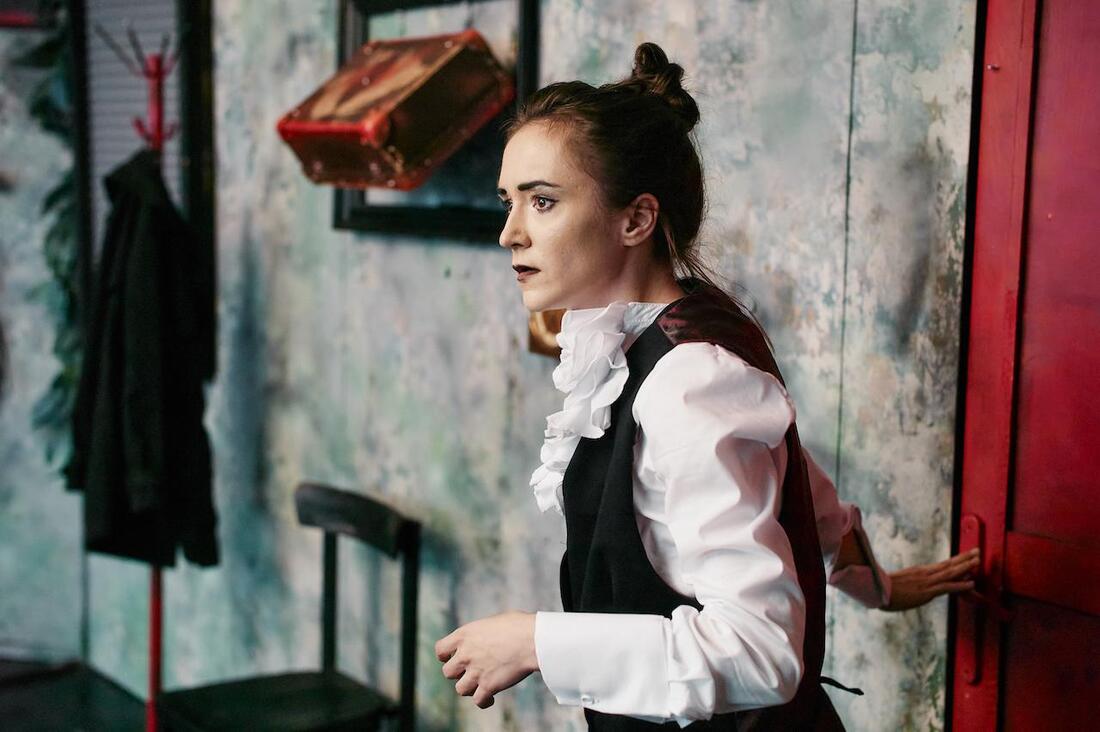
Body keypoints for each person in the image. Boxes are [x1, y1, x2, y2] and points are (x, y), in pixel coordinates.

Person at [434, 42, 978, 729]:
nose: (509, 233)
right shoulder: (679, 329)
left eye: (542, 201)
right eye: (508, 202)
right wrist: (881, 586)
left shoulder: (689, 382)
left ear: (636, 219)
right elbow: (801, 491)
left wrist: (535, 642)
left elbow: (762, 653)